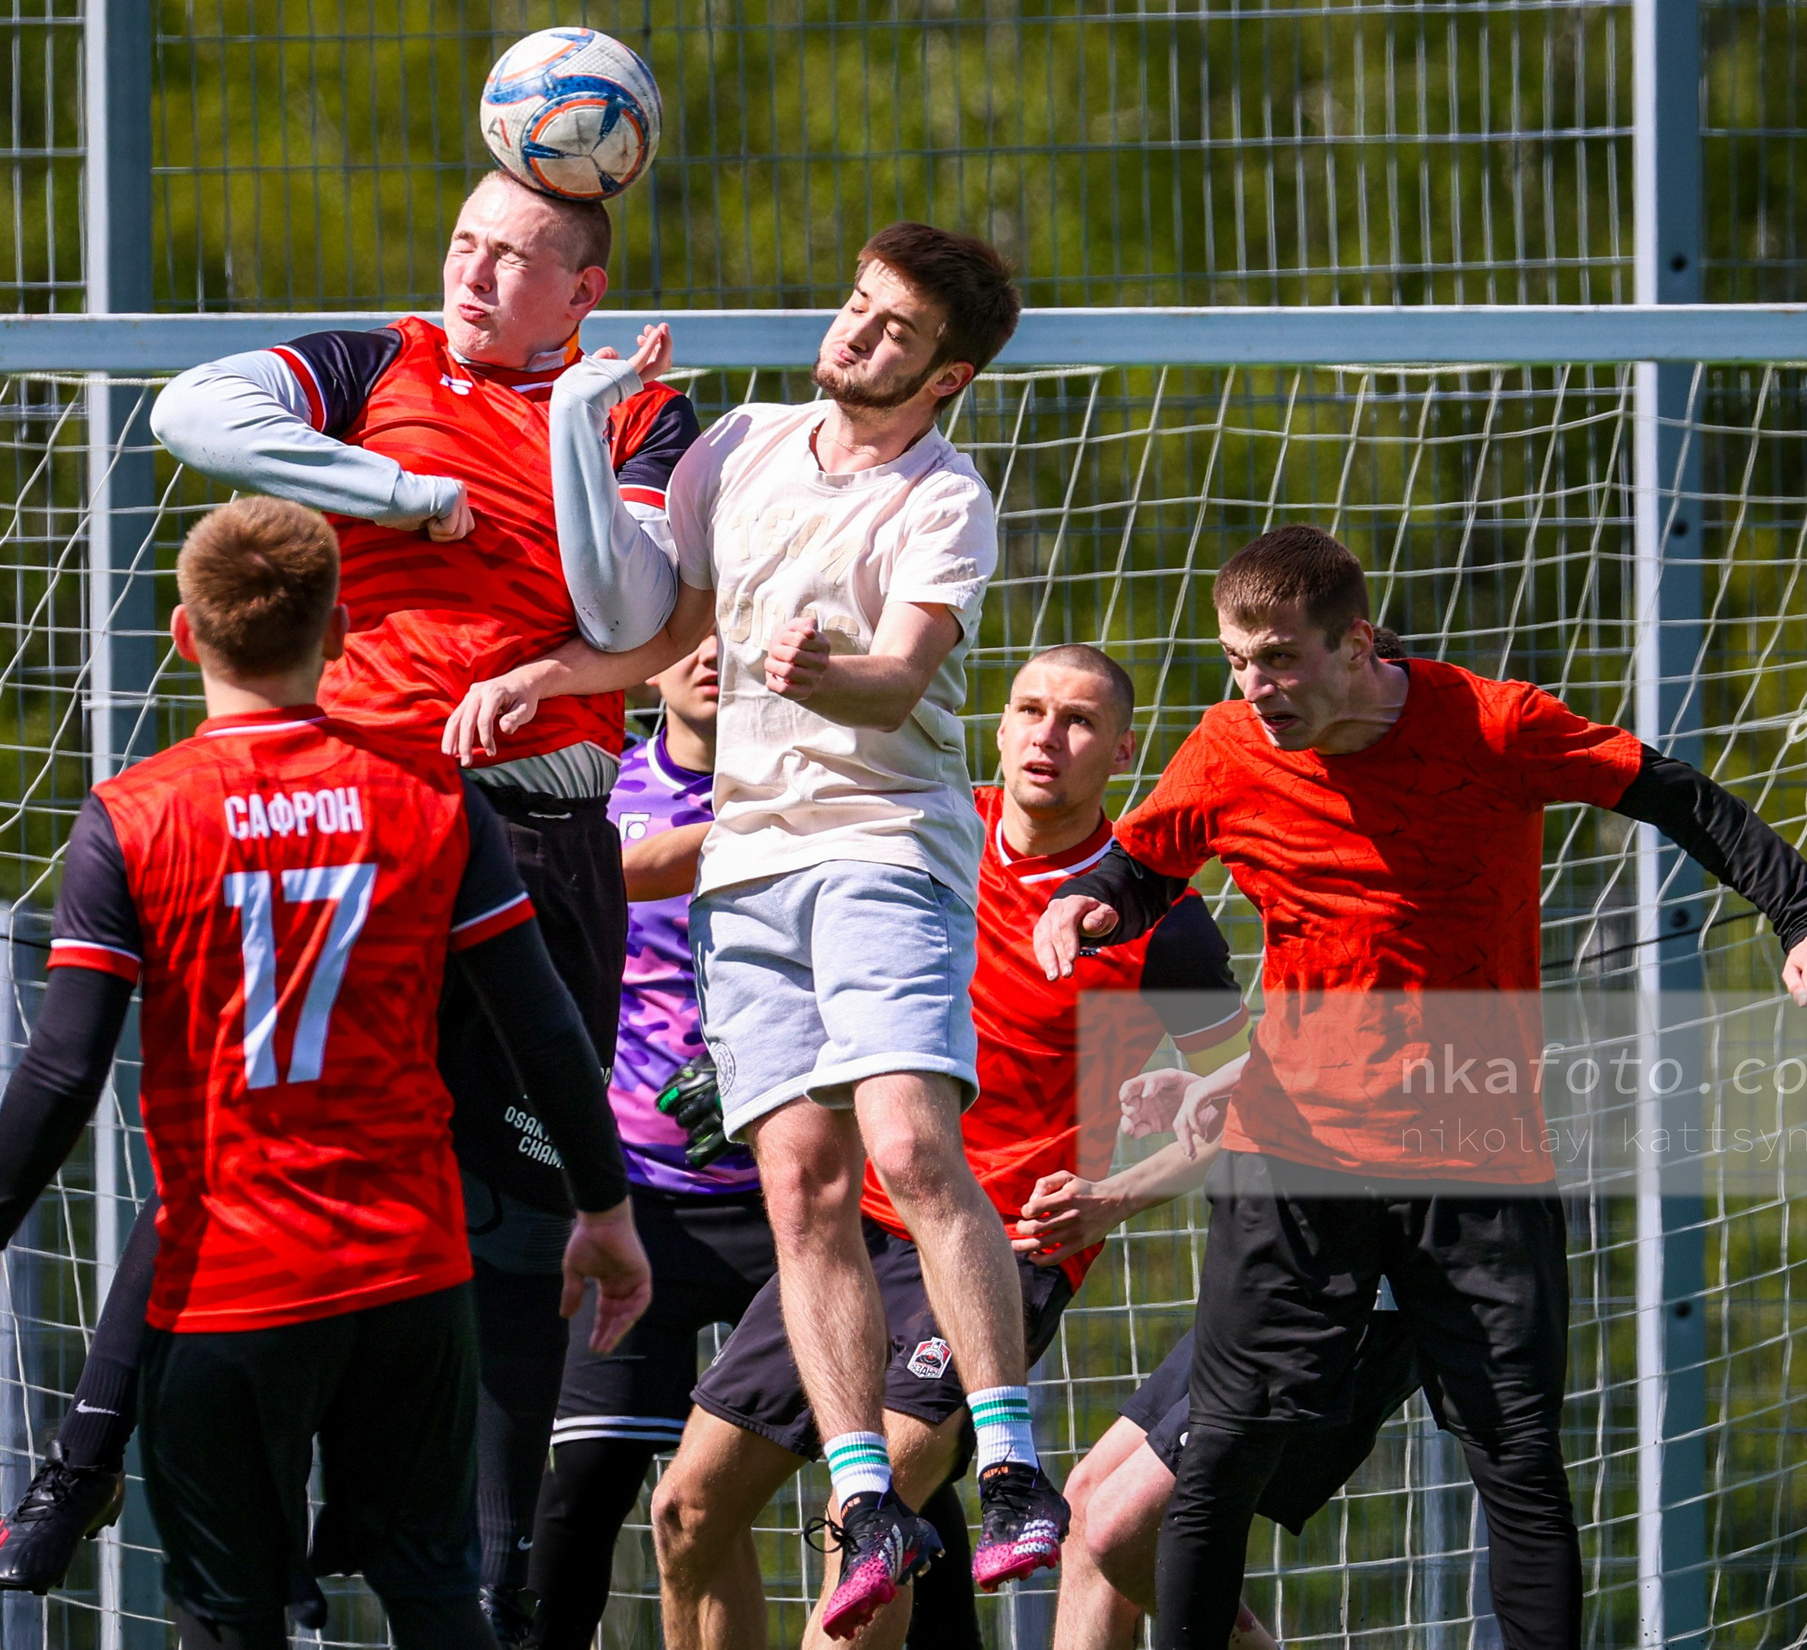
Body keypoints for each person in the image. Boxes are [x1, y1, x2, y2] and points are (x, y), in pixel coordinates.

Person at [0, 171, 698, 1633]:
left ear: (586, 289)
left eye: (519, 259)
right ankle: (82, 1459)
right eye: (465, 245)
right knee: (245, 1141)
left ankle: (434, 1552)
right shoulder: (374, 364)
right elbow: (191, 411)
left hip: (546, 838)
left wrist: (567, 425)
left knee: (517, 1210)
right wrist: (401, 494)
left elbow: (629, 617)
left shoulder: (636, 410)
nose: (478, 275)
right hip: (366, 816)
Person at [1031, 525, 1807, 1650]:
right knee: (1223, 1447)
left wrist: (1805, 915)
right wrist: (1089, 899)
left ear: (1356, 641)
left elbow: (1678, 796)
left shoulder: (1493, 723)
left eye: (1280, 657)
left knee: (1515, 1452)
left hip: (1474, 1147)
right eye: (1238, 660)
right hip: (1292, 1154)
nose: (1257, 685)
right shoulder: (1229, 745)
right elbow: (1144, 864)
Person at [447, 221, 1062, 1636]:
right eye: (857, 305)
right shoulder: (740, 444)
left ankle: (1017, 1462)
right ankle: (863, 1499)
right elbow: (660, 627)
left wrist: (823, 671)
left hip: (882, 846)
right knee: (803, 1186)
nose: (857, 334)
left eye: (896, 329)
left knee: (908, 1142)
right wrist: (549, 668)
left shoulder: (942, 498)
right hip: (753, 863)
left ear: (947, 374)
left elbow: (902, 679)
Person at [0, 498, 652, 1650]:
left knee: (228, 1617)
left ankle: (83, 1473)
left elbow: (64, 1062)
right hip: (411, 1278)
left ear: (180, 633)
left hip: (228, 1285)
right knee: (432, 1591)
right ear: (344, 627)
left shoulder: (132, 815)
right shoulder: (430, 797)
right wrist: (604, 1206)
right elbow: (543, 1026)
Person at [644, 644, 1250, 1650]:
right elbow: (739, 853)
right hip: (856, 1233)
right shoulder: (920, 827)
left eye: (1078, 720)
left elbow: (1241, 1098)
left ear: (1123, 751)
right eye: (1029, 709)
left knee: (873, 1531)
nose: (1046, 736)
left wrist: (1109, 1196)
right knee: (686, 1514)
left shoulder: (1161, 921)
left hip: (1001, 1245)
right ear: (999, 724)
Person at [525, 637, 984, 1650]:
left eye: (726, 642)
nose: (705, 658)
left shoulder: (825, 783)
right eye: (681, 640)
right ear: (641, 663)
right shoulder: (599, 794)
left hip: (802, 1198)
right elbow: (541, 967)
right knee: (597, 1480)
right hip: (641, 1193)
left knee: (893, 1472)